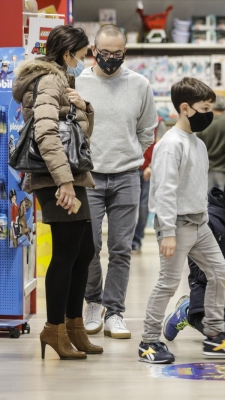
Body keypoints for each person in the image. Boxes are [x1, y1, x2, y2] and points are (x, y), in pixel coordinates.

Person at [139, 77, 225, 364]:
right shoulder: (170, 145)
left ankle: (214, 336)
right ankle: (149, 342)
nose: (208, 114)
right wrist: (166, 232)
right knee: (168, 282)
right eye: (204, 108)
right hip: (176, 224)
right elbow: (164, 190)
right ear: (186, 108)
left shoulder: (198, 144)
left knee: (220, 273)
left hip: (200, 223)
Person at [13, 24, 102, 360]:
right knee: (67, 254)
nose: (83, 61)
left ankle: (73, 325)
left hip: (69, 176)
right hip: (56, 180)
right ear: (67, 53)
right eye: (80, 55)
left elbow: (78, 135)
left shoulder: (65, 80)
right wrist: (65, 181)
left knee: (84, 250)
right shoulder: (50, 80)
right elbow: (45, 133)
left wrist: (84, 107)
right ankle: (54, 329)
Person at [76, 24, 157, 339]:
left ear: (126, 52)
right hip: (90, 175)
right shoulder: (78, 82)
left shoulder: (139, 84)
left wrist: (132, 152)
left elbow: (147, 128)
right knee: (90, 245)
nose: (111, 59)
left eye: (117, 54)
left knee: (121, 248)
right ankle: (93, 303)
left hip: (127, 175)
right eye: (105, 53)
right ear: (94, 50)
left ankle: (116, 312)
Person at [163, 168, 225, 345]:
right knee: (223, 338)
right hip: (207, 288)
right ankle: (187, 312)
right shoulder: (207, 221)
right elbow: (196, 267)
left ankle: (221, 318)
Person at [132, 118, 167, 254]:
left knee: (143, 206)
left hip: (147, 170)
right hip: (129, 168)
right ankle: (126, 241)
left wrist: (152, 166)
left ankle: (136, 241)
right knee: (126, 207)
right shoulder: (132, 116)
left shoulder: (159, 122)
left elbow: (161, 147)